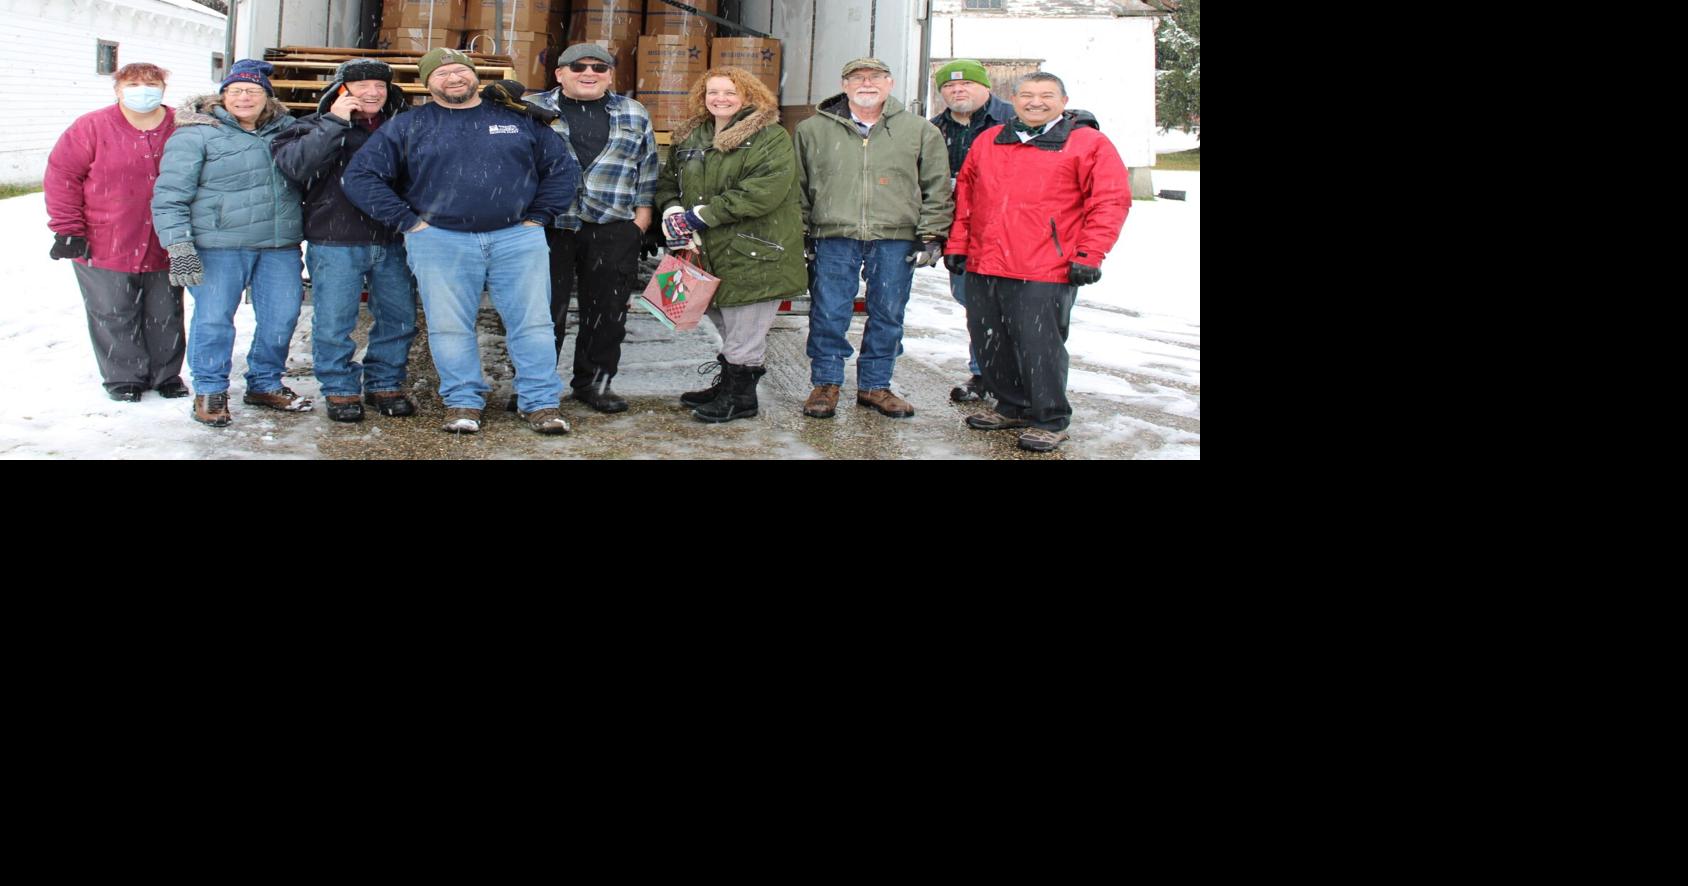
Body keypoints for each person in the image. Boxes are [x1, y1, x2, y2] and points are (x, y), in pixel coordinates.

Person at [342, 48, 579, 435]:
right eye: (441, 73)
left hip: (516, 238)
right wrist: (408, 222)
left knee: (533, 324)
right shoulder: (408, 125)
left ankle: (540, 402)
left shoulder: (515, 119)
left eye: (459, 71)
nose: (452, 78)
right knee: (450, 327)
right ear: (427, 83)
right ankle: (463, 400)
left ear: (474, 77)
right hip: (440, 241)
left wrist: (539, 216)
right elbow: (361, 177)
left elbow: (560, 168)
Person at [944, 73, 1130, 453]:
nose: (1035, 102)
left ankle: (1049, 416)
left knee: (1038, 344)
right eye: (1027, 95)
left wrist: (1089, 254)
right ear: (1013, 99)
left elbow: (1109, 200)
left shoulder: (1087, 143)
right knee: (991, 340)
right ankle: (1011, 405)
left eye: (1046, 95)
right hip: (987, 260)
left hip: (1045, 265)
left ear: (1064, 101)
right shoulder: (990, 140)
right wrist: (959, 244)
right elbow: (967, 195)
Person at [151, 59, 307, 428]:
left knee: (282, 318)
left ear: (268, 98)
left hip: (278, 245)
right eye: (235, 91)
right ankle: (209, 391)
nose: (243, 97)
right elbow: (170, 195)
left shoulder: (288, 132)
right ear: (221, 96)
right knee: (214, 320)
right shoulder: (196, 134)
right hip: (218, 245)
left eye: (253, 91)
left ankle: (265, 383)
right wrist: (179, 247)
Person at [793, 58, 952, 420]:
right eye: (857, 78)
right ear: (844, 85)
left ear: (890, 82)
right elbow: (798, 187)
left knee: (888, 312)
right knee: (829, 311)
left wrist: (931, 233)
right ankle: (826, 383)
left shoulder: (919, 130)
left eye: (876, 77)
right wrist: (800, 230)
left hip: (895, 236)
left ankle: (875, 385)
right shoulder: (812, 130)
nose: (867, 83)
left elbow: (936, 186)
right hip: (833, 233)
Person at [655, 67, 807, 423]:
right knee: (723, 321)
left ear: (749, 96)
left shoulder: (770, 137)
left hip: (754, 249)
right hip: (706, 249)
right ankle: (730, 384)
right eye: (712, 92)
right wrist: (673, 208)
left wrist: (701, 215)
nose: (719, 99)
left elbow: (762, 192)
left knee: (745, 326)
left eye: (729, 92)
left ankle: (742, 399)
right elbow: (667, 181)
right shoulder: (691, 135)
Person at [271, 59, 419, 423]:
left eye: (379, 86)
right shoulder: (310, 126)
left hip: (394, 238)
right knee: (335, 321)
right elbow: (296, 167)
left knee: (399, 317)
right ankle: (340, 389)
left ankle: (385, 382)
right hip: (334, 238)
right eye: (361, 85)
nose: (372, 92)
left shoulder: (403, 127)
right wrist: (334, 122)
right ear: (341, 90)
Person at [520, 43, 660, 414]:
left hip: (613, 225)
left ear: (611, 75)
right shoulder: (531, 108)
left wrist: (641, 217)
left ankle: (594, 384)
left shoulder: (633, 112)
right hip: (548, 225)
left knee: (608, 310)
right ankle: (536, 387)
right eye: (579, 66)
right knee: (542, 311)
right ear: (559, 73)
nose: (590, 73)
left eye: (600, 68)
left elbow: (648, 167)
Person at [45, 62, 186, 403]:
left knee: (165, 312)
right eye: (134, 83)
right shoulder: (91, 127)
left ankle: (166, 375)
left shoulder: (182, 125)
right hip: (106, 238)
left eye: (151, 83)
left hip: (166, 239)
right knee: (113, 310)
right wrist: (67, 229)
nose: (143, 89)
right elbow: (63, 177)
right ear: (118, 89)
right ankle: (124, 377)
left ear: (163, 88)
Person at [929, 59, 1015, 404]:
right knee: (975, 305)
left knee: (1018, 307)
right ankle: (983, 374)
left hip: (1012, 231)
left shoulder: (1013, 120)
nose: (957, 90)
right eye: (949, 86)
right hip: (962, 233)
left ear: (986, 86)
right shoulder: (934, 129)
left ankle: (1020, 376)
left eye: (966, 84)